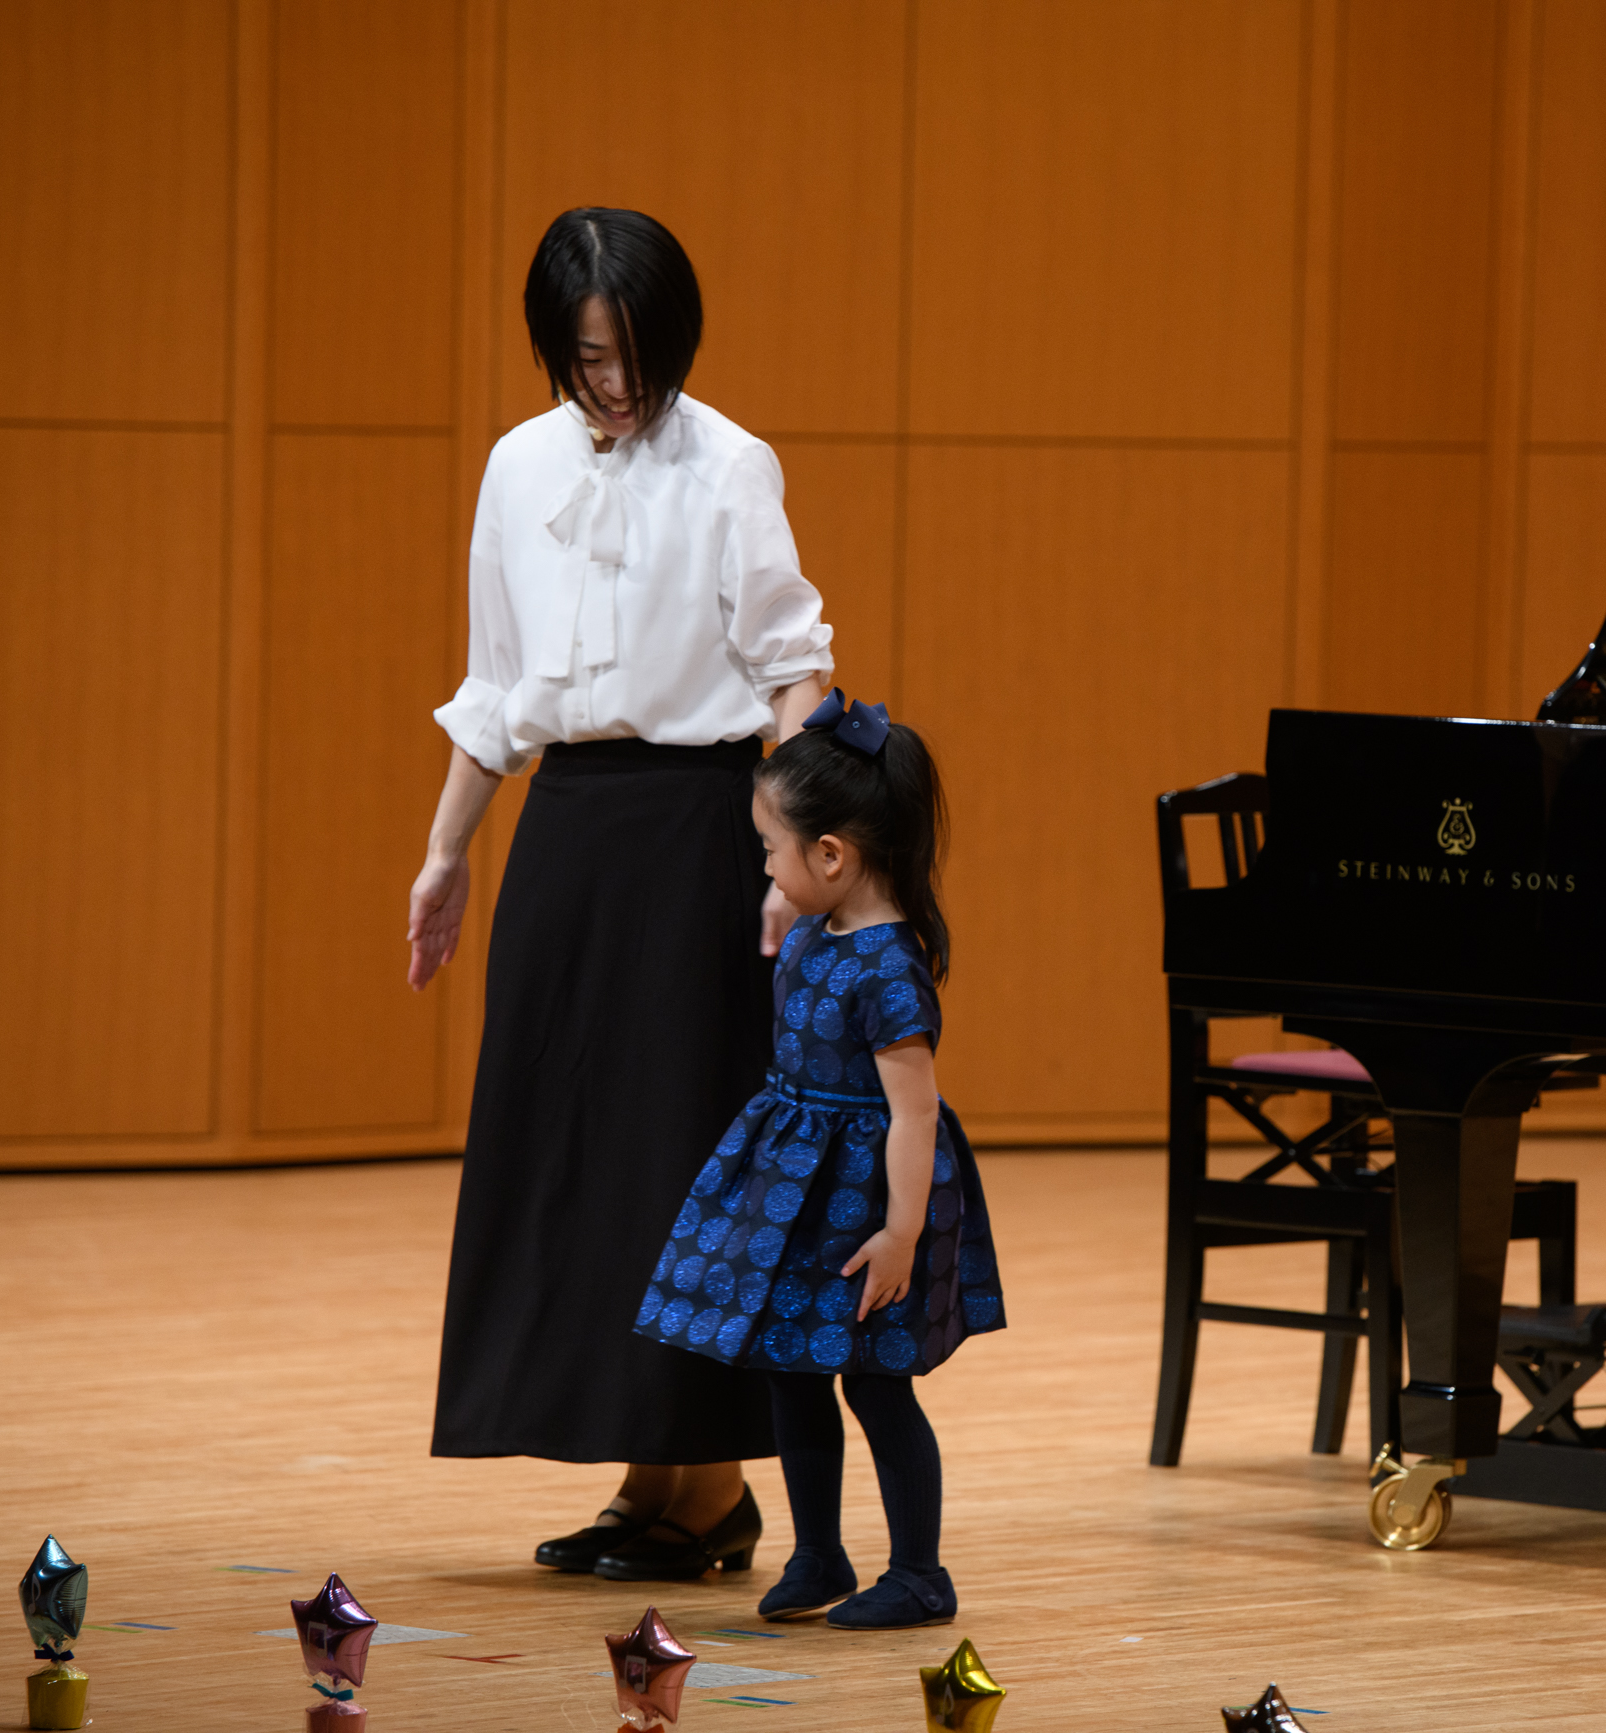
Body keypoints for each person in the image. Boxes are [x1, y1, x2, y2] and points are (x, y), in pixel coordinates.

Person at [409, 206, 834, 1579]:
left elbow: (791, 672)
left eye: (635, 356)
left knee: (675, 1156)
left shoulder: (729, 464)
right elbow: (495, 687)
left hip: (697, 836)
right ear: (554, 348)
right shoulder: (515, 466)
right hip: (570, 834)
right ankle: (656, 1483)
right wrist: (448, 850)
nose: (615, 384)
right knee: (571, 1162)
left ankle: (703, 1487)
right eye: (589, 357)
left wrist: (801, 861)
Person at [629, 692, 1005, 1627]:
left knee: (877, 1381)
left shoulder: (887, 966)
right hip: (796, 1188)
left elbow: (913, 1116)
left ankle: (920, 1572)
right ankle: (819, 1552)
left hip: (869, 1205)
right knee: (792, 1368)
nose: (766, 863)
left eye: (772, 847)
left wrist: (901, 1235)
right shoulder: (807, 933)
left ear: (831, 854)